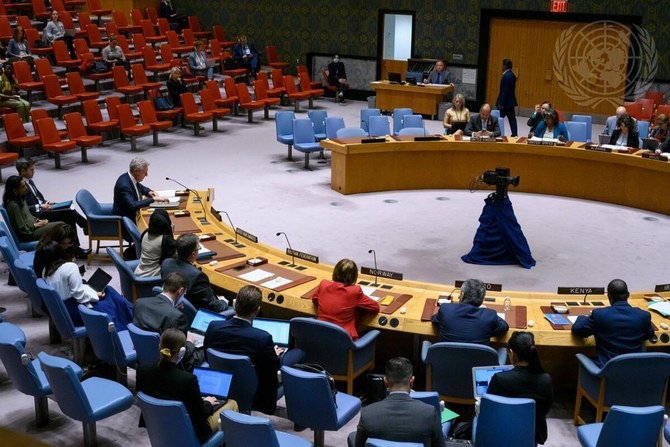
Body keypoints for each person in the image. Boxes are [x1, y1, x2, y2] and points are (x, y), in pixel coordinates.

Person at [203, 285, 304, 415]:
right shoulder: (262, 338)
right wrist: (274, 355)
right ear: (257, 310)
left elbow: (207, 357)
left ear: (235, 304)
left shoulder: (213, 327)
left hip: (221, 385)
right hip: (256, 394)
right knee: (298, 354)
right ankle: (299, 414)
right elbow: (274, 368)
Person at [136, 329, 238, 443]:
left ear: (159, 346)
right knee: (232, 403)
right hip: (189, 430)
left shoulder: (142, 370)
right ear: (182, 352)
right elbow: (201, 414)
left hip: (157, 424)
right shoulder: (187, 380)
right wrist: (208, 403)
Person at [39, 240, 133, 330]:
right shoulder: (70, 267)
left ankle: (131, 315)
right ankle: (131, 317)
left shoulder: (45, 271)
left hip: (64, 311)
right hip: (76, 310)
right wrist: (95, 295)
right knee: (110, 298)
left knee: (109, 290)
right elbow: (79, 295)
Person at [349, 357, 444, 447]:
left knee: (352, 436)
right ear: (411, 381)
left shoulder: (367, 413)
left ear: (385, 381)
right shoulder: (430, 413)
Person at [487, 331, 553, 445]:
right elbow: (545, 409)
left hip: (502, 432)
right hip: (532, 433)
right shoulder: (546, 379)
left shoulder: (499, 379)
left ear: (512, 353)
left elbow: (490, 410)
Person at [16, 158, 89, 259]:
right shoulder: (20, 186)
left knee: (68, 212)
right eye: (31, 170)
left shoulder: (30, 181)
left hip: (43, 209)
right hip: (38, 216)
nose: (34, 171)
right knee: (69, 213)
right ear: (23, 171)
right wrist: (40, 206)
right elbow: (23, 208)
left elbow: (38, 198)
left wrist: (46, 202)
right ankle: (87, 228)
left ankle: (76, 249)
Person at [572, 279, 655, 366]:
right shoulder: (644, 316)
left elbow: (577, 330)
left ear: (609, 296)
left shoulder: (599, 315)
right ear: (628, 295)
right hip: (636, 370)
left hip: (607, 370)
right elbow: (649, 335)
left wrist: (581, 317)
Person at [312, 258, 380, 340]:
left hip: (320, 337)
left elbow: (314, 299)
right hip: (344, 342)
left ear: (335, 272)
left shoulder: (324, 284)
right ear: (354, 276)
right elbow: (375, 308)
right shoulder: (355, 291)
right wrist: (356, 309)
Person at [112, 157, 167, 257]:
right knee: (157, 228)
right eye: (144, 172)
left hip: (134, 216)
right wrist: (153, 199)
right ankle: (134, 252)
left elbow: (139, 186)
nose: (147, 175)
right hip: (127, 222)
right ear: (136, 171)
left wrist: (149, 192)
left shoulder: (129, 178)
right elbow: (133, 205)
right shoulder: (124, 185)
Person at [161, 233, 229, 313]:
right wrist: (223, 301)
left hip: (170, 308)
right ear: (193, 254)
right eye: (199, 248)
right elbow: (213, 307)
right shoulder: (197, 276)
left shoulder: (166, 263)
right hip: (192, 314)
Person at [431, 278, 509, 345]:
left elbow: (434, 321)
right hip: (478, 358)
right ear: (482, 299)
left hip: (445, 358)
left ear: (462, 295)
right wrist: (486, 332)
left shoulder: (446, 309)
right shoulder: (489, 315)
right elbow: (504, 327)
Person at [3, 175, 61, 242]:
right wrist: (38, 225)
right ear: (15, 191)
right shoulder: (13, 206)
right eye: (23, 187)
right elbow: (23, 230)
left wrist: (39, 220)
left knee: (62, 226)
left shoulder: (21, 198)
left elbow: (29, 216)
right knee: (60, 227)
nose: (26, 188)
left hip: (34, 227)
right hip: (29, 234)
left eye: (25, 185)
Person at [134, 208, 176, 277]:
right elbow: (174, 256)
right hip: (154, 276)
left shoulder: (145, 233)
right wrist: (171, 233)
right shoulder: (166, 240)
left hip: (139, 271)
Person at [496, 58, 518, 137]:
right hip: (510, 101)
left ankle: (496, 132)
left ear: (505, 66)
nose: (501, 67)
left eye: (502, 65)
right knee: (512, 119)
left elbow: (504, 91)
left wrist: (500, 103)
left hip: (505, 103)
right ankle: (514, 134)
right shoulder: (512, 75)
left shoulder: (506, 76)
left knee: (497, 118)